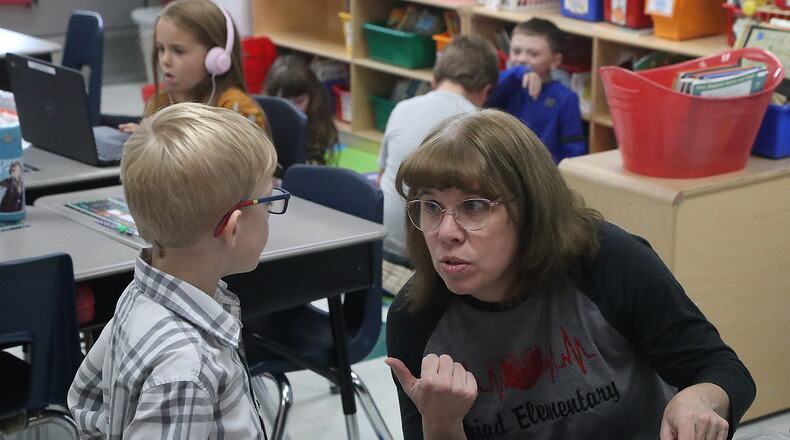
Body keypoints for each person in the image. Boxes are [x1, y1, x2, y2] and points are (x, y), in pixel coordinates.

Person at [385, 109, 755, 440]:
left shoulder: (607, 260)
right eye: (431, 206)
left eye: (475, 206)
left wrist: (697, 398)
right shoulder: (415, 316)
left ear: (530, 210)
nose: (445, 231)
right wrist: (442, 424)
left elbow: (722, 369)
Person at [68, 103, 286, 438]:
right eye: (269, 202)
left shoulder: (139, 296)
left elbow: (88, 402)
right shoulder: (186, 368)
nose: (272, 212)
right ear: (233, 228)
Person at [378, 35, 499, 273]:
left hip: (380, 243)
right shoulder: (476, 126)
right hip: (424, 259)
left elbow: (381, 175)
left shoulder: (403, 108)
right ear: (486, 91)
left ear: (434, 79)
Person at [119, 0, 269, 134]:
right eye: (161, 48)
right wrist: (144, 144)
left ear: (216, 57)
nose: (165, 60)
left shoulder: (235, 109)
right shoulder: (159, 103)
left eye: (178, 51)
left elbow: (236, 164)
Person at [487, 18, 586, 163]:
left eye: (533, 54)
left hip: (543, 177)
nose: (521, 59)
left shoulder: (566, 98)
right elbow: (488, 90)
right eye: (516, 51)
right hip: (504, 171)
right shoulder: (508, 84)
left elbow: (574, 149)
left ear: (555, 61)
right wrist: (519, 71)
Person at [265, 55, 338, 165]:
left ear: (312, 97)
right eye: (284, 102)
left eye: (299, 101)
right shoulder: (263, 117)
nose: (292, 108)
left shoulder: (317, 122)